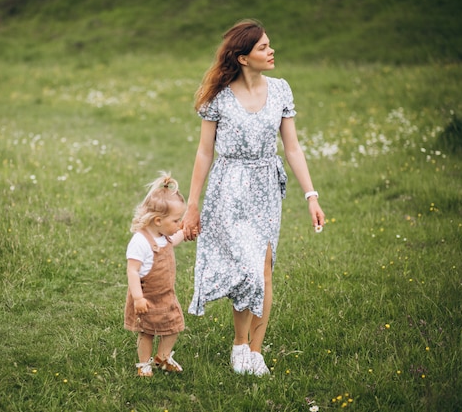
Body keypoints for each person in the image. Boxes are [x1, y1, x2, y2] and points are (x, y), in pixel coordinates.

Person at [182, 19, 325, 376]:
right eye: (263, 47)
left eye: (269, 44)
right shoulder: (218, 97)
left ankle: (254, 352)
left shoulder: (280, 90)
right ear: (243, 58)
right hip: (228, 187)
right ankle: (238, 344)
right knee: (245, 268)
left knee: (262, 269)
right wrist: (192, 205)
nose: (271, 51)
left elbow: (292, 148)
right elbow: (204, 153)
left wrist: (311, 195)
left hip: (266, 187)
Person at [124, 172, 187, 377]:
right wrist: (138, 298)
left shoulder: (163, 236)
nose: (179, 223)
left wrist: (186, 232)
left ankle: (163, 357)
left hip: (166, 295)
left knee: (174, 326)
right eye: (177, 220)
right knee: (147, 332)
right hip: (147, 297)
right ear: (158, 220)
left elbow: (175, 239)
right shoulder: (140, 241)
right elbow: (132, 271)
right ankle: (144, 364)